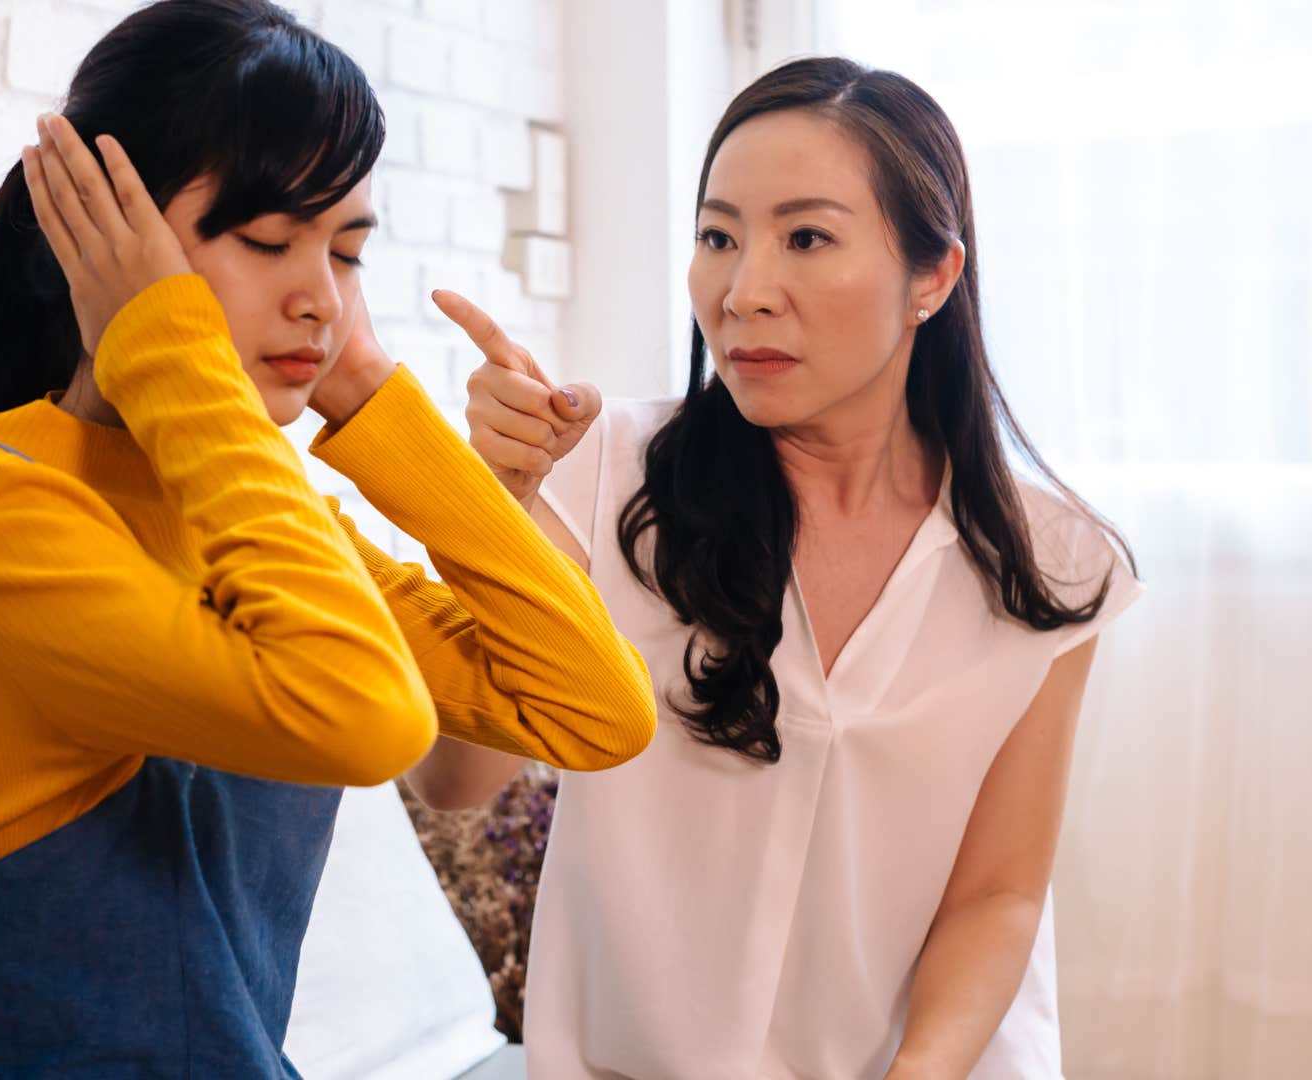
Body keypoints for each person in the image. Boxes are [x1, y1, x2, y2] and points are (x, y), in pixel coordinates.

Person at [0, 2, 655, 1074]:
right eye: (273, 239)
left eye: (349, 252)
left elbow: (597, 711)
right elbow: (363, 719)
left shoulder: (252, 513)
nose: (321, 299)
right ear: (96, 237)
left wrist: (376, 401)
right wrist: (170, 356)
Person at [412, 56, 1141, 1078]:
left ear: (932, 275)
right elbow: (456, 780)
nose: (744, 291)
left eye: (807, 238)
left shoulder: (1051, 565)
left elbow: (999, 893)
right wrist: (491, 508)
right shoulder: (599, 477)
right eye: (718, 237)